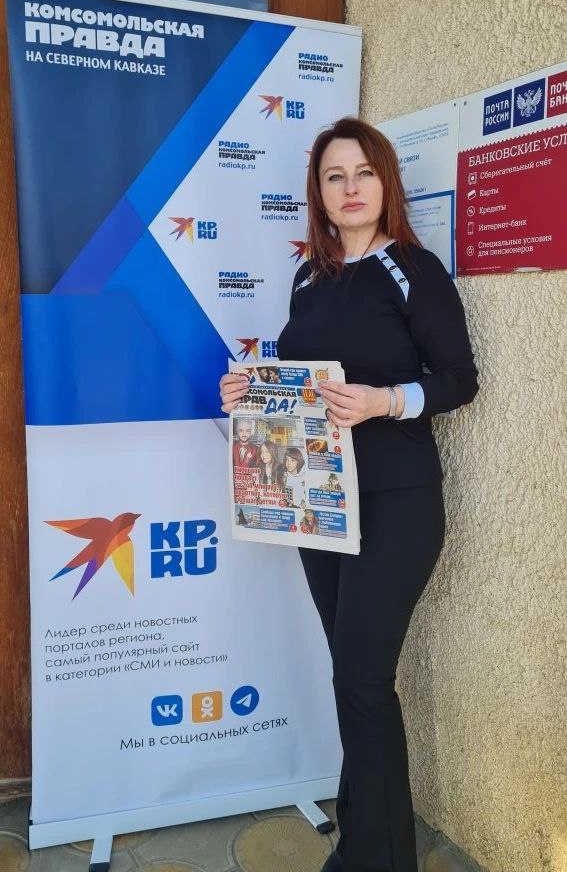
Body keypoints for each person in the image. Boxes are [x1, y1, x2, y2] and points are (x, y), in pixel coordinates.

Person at [220, 117, 478, 872]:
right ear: (320, 193)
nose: (351, 187)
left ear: (385, 181)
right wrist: (249, 392)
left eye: (363, 172)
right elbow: (300, 384)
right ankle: (366, 834)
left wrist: (384, 401)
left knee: (363, 678)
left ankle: (376, 856)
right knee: (351, 677)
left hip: (396, 500)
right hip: (318, 503)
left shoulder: (413, 270)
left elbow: (458, 379)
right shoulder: (311, 276)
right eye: (335, 176)